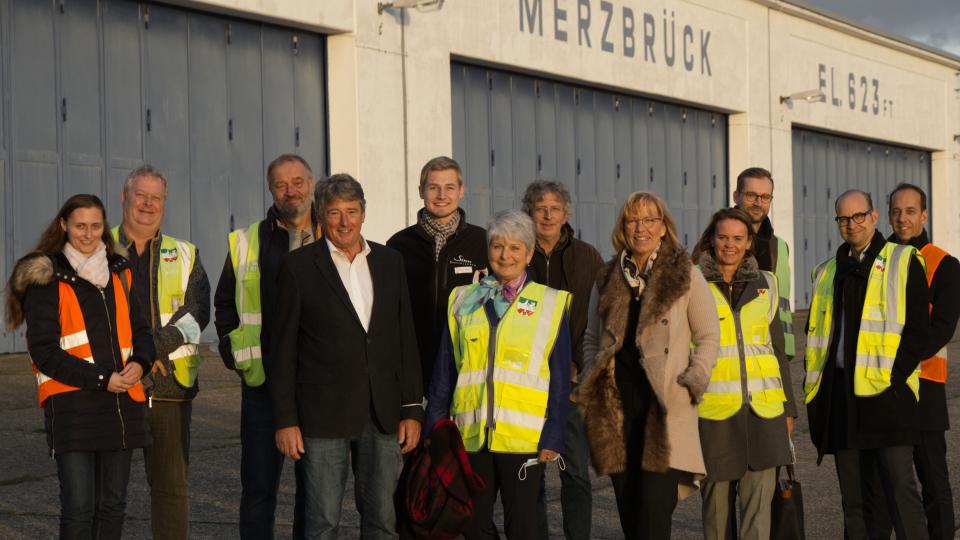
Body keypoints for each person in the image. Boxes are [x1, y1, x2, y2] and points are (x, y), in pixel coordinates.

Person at [270, 174, 423, 539]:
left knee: (383, 521)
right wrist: (285, 420)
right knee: (323, 522)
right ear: (320, 216)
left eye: (351, 211)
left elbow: (404, 338)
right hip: (322, 417)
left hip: (381, 414)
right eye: (335, 212)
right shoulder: (299, 267)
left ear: (364, 214)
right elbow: (282, 350)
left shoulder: (390, 262)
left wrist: (412, 409)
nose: (344, 222)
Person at [5, 194, 155, 539]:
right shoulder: (48, 276)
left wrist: (140, 363)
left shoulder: (120, 270)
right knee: (78, 509)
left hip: (121, 406)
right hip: (73, 408)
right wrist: (103, 379)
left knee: (113, 507)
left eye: (96, 226)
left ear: (105, 227)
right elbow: (43, 351)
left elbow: (142, 330)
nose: (88, 234)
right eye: (80, 226)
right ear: (64, 226)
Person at [579, 191, 719, 540]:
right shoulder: (607, 276)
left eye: (649, 219)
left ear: (663, 227)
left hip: (664, 413)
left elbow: (709, 335)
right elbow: (592, 339)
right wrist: (589, 378)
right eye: (632, 219)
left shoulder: (685, 273)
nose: (640, 228)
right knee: (631, 517)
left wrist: (693, 379)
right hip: (617, 414)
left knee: (653, 518)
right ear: (623, 226)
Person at [426, 209, 572, 540]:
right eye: (497, 246)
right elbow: (444, 371)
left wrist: (553, 434)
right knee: (473, 525)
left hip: (523, 440)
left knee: (522, 527)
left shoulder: (550, 304)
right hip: (470, 434)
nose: (505, 255)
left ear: (529, 253)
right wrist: (435, 426)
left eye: (515, 248)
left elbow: (561, 379)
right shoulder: (463, 300)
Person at [804, 189, 929, 539]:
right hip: (844, 400)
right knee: (855, 504)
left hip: (889, 399)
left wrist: (892, 377)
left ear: (874, 217)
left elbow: (918, 330)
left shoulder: (903, 261)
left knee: (901, 493)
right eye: (844, 218)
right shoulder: (827, 271)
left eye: (859, 216)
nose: (851, 224)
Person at [214, 154, 317, 538]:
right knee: (258, 488)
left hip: (316, 384)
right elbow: (225, 304)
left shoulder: (332, 234)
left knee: (314, 492)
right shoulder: (247, 241)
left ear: (312, 183)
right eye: (280, 184)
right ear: (270, 189)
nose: (290, 191)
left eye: (297, 182)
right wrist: (233, 353)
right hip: (262, 383)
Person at [112, 165, 210, 540]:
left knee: (170, 491)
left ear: (165, 203)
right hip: (114, 386)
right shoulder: (96, 247)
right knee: (107, 494)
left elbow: (196, 312)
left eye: (156, 197)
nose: (148, 204)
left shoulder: (184, 253)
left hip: (168, 388)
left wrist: (151, 350)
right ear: (125, 198)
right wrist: (134, 359)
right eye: (141, 195)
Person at [691, 208, 797, 540]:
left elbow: (778, 351)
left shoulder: (767, 282)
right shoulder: (690, 283)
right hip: (714, 415)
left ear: (749, 242)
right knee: (717, 517)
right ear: (711, 239)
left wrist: (788, 409)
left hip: (764, 414)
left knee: (757, 518)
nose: (730, 245)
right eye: (723, 237)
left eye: (738, 238)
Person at [522, 180, 603, 540]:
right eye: (541, 208)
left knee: (575, 472)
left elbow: (601, 316)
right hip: (526, 381)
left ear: (566, 214)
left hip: (572, 382)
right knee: (531, 472)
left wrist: (584, 367)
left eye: (555, 208)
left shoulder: (587, 256)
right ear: (530, 213)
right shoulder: (516, 252)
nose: (548, 214)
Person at [887, 183, 959, 539]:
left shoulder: (944, 264)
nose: (903, 218)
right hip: (882, 388)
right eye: (897, 211)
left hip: (925, 386)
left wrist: (897, 364)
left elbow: (942, 328)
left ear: (924, 215)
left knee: (933, 480)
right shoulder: (878, 259)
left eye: (910, 211)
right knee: (889, 483)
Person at [387, 156, 488, 389]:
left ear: (461, 191)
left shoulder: (483, 242)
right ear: (421, 191)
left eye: (449, 188)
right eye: (433, 188)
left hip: (467, 368)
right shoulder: (398, 245)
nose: (442, 196)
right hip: (413, 369)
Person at [732, 168, 795, 358]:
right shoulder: (716, 241)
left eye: (765, 197)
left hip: (770, 351)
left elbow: (781, 303)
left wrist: (786, 349)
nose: (758, 203)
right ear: (736, 196)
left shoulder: (779, 247)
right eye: (751, 195)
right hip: (731, 350)